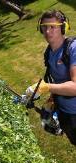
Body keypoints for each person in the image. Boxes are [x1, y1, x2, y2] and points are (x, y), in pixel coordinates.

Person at [26, 10, 76, 145]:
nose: (48, 32)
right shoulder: (48, 52)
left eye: (53, 26)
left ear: (63, 27)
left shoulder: (73, 48)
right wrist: (42, 96)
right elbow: (58, 82)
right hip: (64, 112)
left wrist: (46, 87)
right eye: (44, 27)